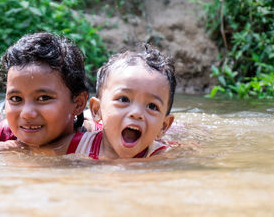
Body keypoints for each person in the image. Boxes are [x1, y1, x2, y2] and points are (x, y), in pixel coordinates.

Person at [0, 32, 89, 154]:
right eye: (15, 98)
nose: (26, 114)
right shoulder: (4, 134)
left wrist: (13, 147)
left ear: (78, 103)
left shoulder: (97, 140)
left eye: (43, 98)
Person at [50, 46, 179, 159]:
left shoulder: (161, 157)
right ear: (97, 110)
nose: (136, 113)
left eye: (152, 106)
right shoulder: (72, 146)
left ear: (163, 126)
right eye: (124, 99)